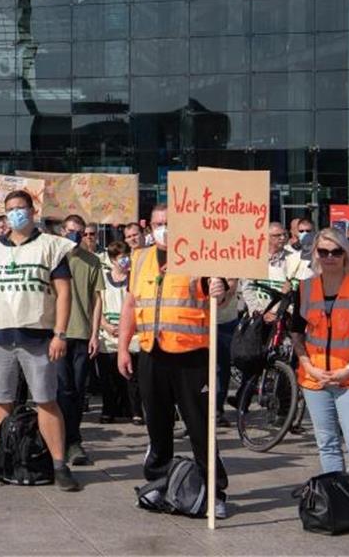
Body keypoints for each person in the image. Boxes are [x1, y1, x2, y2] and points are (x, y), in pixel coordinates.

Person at [117, 204, 232, 517]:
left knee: (200, 427)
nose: (162, 228)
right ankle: (158, 483)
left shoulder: (199, 255)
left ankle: (214, 492)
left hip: (191, 355)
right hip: (152, 352)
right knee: (157, 425)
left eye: (168, 222)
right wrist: (123, 347)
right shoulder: (140, 258)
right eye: (157, 223)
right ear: (148, 226)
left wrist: (221, 289)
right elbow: (130, 303)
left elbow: (220, 295)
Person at [0, 190, 81, 491]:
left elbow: (64, 293)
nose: (16, 213)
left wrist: (60, 333)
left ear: (32, 210)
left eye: (21, 208)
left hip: (39, 337)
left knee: (46, 400)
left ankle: (59, 465)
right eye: (11, 209)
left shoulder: (50, 247)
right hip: (0, 337)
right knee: (0, 401)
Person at [290, 228, 349, 486]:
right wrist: (309, 367)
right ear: (316, 254)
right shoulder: (305, 288)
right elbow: (297, 333)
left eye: (336, 251)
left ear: (345, 253)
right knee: (328, 444)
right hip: (315, 381)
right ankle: (339, 502)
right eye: (324, 252)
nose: (330, 256)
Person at [57, 214, 104, 466]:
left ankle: (74, 441)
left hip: (82, 334)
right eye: (72, 230)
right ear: (63, 230)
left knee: (77, 390)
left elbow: (97, 300)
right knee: (61, 389)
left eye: (81, 231)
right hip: (58, 334)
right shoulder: (54, 258)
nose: (76, 235)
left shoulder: (92, 261)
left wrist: (95, 334)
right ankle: (60, 439)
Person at [96, 241, 142, 424]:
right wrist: (105, 325)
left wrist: (132, 327)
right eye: (121, 257)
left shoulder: (135, 279)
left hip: (133, 335)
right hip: (108, 336)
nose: (125, 260)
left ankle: (136, 411)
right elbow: (97, 304)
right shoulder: (104, 279)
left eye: (127, 256)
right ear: (113, 260)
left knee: (132, 377)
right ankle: (109, 410)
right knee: (109, 378)